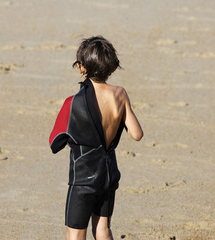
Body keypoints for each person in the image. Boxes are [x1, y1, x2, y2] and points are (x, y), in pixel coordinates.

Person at [49, 36, 143, 240]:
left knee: (75, 233)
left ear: (82, 68)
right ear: (112, 68)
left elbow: (55, 142)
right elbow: (137, 134)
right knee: (102, 230)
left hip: (83, 179)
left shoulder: (72, 102)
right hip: (108, 174)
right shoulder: (120, 94)